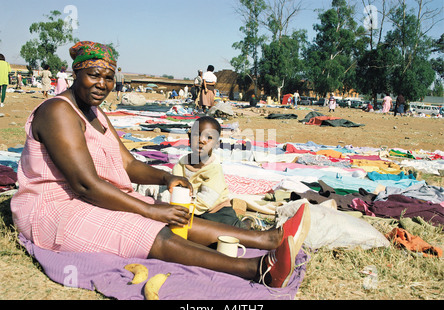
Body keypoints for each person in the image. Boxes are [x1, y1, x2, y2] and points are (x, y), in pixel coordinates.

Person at [10, 41, 310, 289]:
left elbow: (127, 163)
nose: (102, 83)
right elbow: (85, 184)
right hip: (54, 209)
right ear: (76, 73)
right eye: (93, 74)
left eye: (109, 76)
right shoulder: (58, 112)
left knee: (177, 216)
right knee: (145, 227)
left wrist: (166, 179)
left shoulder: (96, 114)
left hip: (90, 197)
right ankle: (258, 269)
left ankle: (268, 237)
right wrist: (152, 209)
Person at [173, 116, 247, 229]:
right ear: (189, 138)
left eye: (209, 137)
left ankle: (247, 224)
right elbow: (174, 187)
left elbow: (206, 200)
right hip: (191, 209)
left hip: (216, 210)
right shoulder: (181, 164)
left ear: (217, 144)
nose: (202, 140)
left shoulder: (214, 169)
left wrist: (184, 209)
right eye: (197, 134)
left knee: (233, 230)